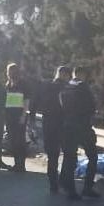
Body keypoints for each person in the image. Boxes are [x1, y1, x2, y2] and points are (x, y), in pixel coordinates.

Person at [60, 64, 99, 199]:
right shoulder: (83, 86)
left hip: (68, 125)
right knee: (93, 156)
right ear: (83, 74)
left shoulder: (66, 86)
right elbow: (92, 106)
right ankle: (87, 188)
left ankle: (69, 188)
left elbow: (61, 105)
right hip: (82, 126)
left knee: (70, 158)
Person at [38, 65, 72, 195]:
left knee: (52, 155)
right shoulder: (66, 88)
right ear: (65, 75)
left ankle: (53, 183)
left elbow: (41, 103)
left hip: (48, 124)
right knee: (68, 153)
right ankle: (63, 180)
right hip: (63, 124)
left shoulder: (47, 86)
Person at [3, 63, 29, 174]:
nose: (10, 73)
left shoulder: (23, 84)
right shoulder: (8, 84)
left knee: (20, 141)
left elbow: (26, 101)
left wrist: (23, 115)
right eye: (9, 71)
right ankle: (16, 163)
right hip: (10, 116)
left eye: (12, 71)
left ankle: (21, 165)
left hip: (19, 116)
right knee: (13, 141)